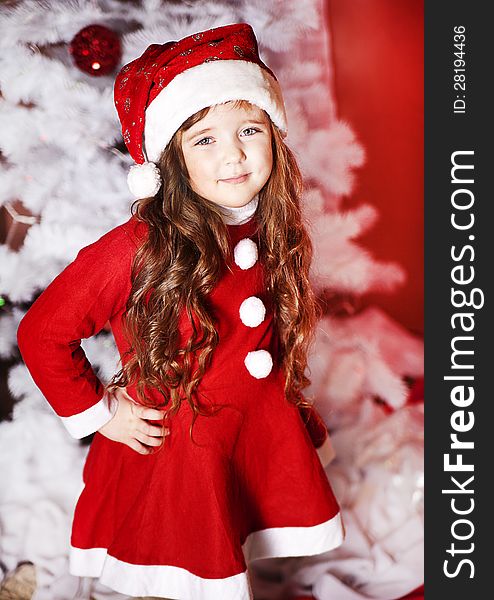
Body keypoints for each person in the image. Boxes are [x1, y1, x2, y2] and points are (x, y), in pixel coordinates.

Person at [17, 22, 344, 600]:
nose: (235, 156)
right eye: (205, 140)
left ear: (275, 135)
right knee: (177, 561)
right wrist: (100, 413)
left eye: (249, 130)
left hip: (249, 431)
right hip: (179, 451)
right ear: (172, 159)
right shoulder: (137, 247)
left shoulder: (272, 224)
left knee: (233, 534)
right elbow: (42, 331)